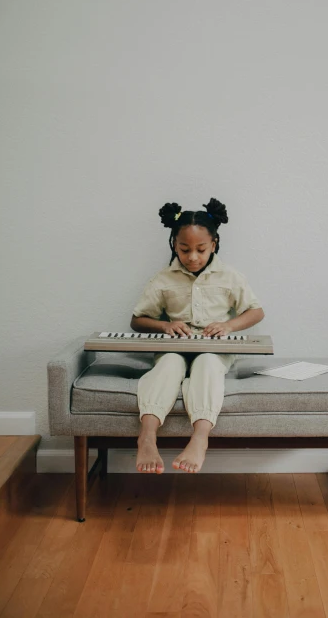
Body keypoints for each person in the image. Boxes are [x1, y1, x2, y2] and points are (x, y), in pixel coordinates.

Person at [131, 197, 264, 475]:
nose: (193, 257)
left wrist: (229, 326)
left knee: (206, 363)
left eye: (201, 249)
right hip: (174, 347)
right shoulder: (163, 279)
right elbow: (137, 320)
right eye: (184, 249)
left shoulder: (229, 276)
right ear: (174, 246)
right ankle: (147, 435)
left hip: (215, 350)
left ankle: (200, 437)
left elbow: (255, 311)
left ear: (214, 244)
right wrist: (165, 326)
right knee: (168, 365)